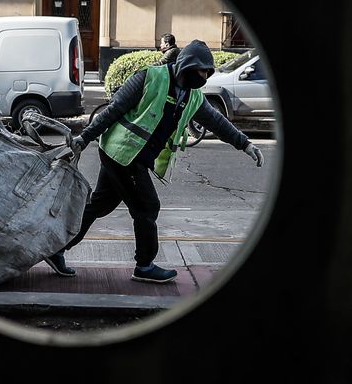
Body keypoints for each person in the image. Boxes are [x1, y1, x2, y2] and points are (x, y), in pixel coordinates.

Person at [43, 39, 263, 283]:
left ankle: (56, 248)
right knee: (148, 207)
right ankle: (144, 265)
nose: (205, 77)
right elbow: (113, 110)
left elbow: (217, 122)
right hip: (122, 153)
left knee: (100, 206)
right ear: (187, 66)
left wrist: (245, 144)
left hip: (136, 156)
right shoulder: (149, 77)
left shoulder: (192, 96)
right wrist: (84, 138)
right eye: (202, 71)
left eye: (208, 73)